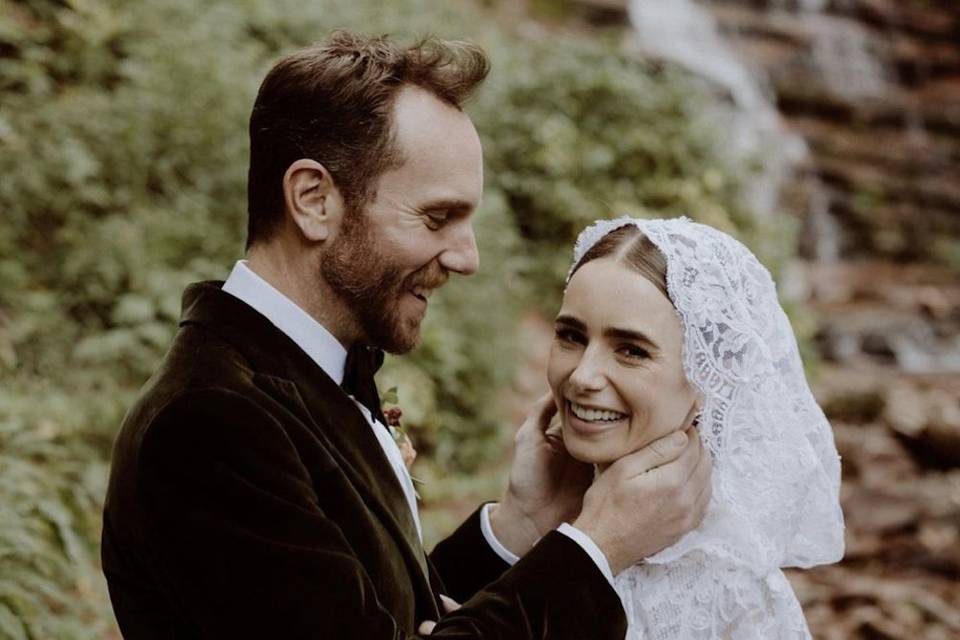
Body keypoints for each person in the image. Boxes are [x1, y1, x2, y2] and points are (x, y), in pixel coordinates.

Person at [100, 33, 713, 639]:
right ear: (314, 199)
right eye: (438, 217)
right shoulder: (210, 425)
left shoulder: (299, 378)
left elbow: (368, 613)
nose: (468, 258)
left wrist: (517, 529)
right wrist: (595, 550)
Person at [548, 216, 845, 639]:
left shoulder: (728, 593)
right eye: (571, 336)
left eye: (631, 350)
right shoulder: (543, 536)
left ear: (712, 375)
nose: (582, 376)